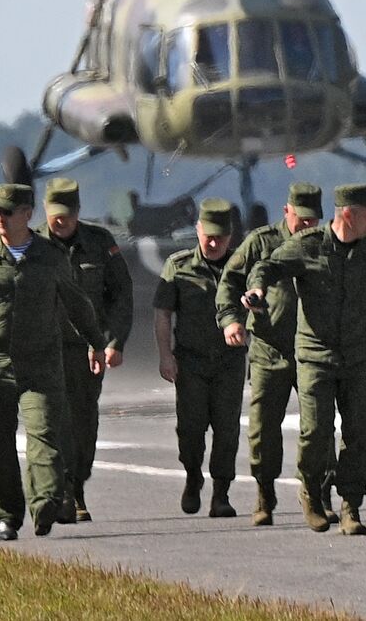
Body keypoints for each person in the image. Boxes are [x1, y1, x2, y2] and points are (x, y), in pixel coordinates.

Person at [241, 184, 366, 536]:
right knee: (316, 432)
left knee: (358, 434)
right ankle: (312, 493)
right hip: (315, 356)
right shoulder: (309, 245)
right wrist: (257, 289)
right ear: (348, 214)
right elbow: (268, 266)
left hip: (359, 355)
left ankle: (350, 507)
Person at [0, 183, 106, 542]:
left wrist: (96, 342)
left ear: (27, 214)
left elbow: (77, 303)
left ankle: (46, 503)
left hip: (42, 364)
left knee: (45, 435)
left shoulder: (51, 257)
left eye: (7, 211)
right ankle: (6, 515)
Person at [215, 182, 334, 527]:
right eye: (301, 219)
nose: (307, 226)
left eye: (313, 220)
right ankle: (265, 495)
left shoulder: (326, 243)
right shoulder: (262, 242)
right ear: (287, 212)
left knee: (319, 425)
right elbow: (230, 281)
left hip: (314, 349)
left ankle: (320, 492)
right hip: (270, 348)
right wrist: (230, 321)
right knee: (263, 428)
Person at [37, 177, 133, 524]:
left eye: (67, 214)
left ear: (77, 212)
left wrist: (114, 341)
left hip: (87, 351)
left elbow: (121, 293)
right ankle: (59, 491)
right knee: (49, 420)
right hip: (45, 350)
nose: (60, 221)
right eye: (54, 214)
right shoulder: (30, 246)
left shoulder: (99, 242)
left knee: (83, 422)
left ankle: (76, 486)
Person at [154, 198, 247, 518]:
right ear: (198, 230)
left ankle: (221, 493)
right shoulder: (178, 266)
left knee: (227, 429)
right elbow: (163, 313)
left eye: (220, 236)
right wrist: (166, 355)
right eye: (208, 234)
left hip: (229, 361)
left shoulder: (241, 267)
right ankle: (193, 475)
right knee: (191, 429)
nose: (213, 241)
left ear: (230, 235)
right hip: (190, 361)